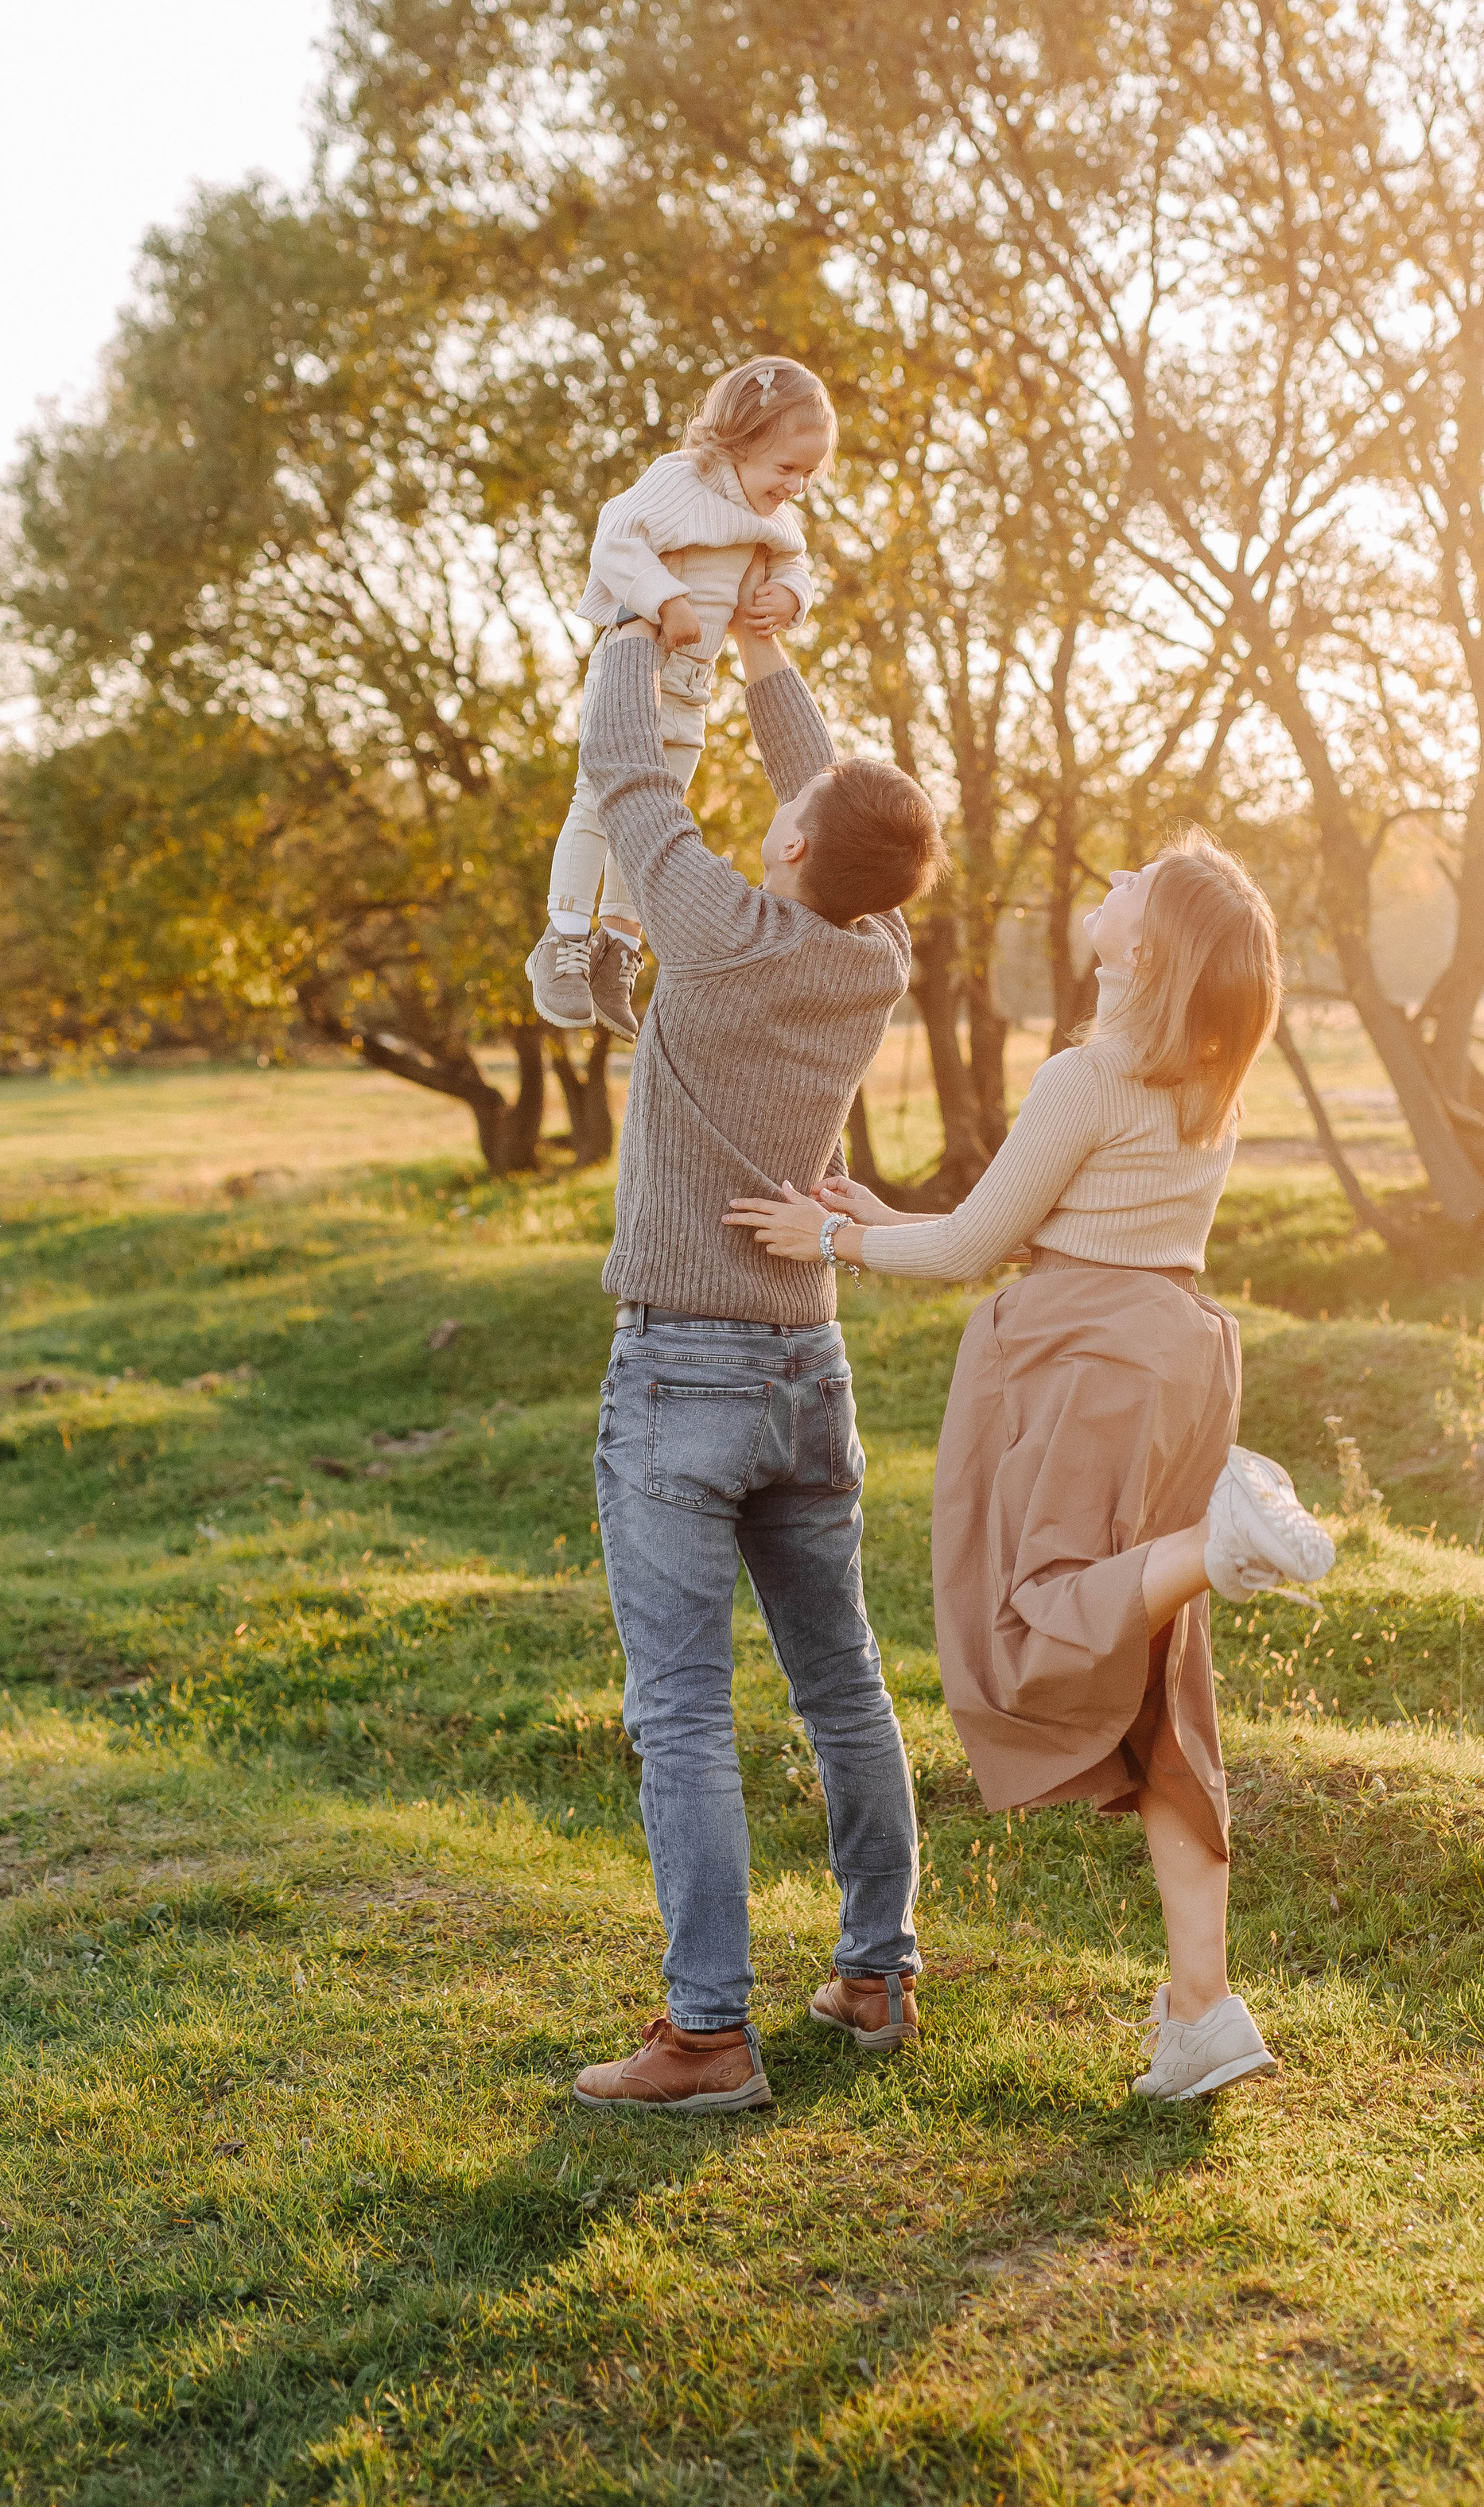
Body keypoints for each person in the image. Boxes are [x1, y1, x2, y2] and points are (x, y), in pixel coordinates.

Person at [726, 838, 1334, 2104]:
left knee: (1024, 1624)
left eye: (1129, 882)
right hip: (1176, 1351)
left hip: (1087, 1363)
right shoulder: (1203, 1076)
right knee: (1167, 1700)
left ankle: (1217, 1546)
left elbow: (974, 1257)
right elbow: (1038, 1232)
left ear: (1147, 948)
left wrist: (832, 1236)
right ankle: (1204, 2013)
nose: (1104, 885)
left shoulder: (1089, 1075)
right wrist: (887, 1219)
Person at [569, 570, 946, 2117]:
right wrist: (762, 653)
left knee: (680, 1713)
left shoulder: (716, 931)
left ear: (791, 850)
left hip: (681, 1374)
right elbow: (837, 811)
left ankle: (707, 2037)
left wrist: (630, 635)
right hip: (806, 1367)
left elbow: (624, 774)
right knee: (839, 1684)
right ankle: (872, 1972)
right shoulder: (874, 960)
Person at [528, 357, 830, 1042]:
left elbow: (794, 563)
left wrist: (789, 597)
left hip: (693, 687)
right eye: (786, 467)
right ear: (739, 441)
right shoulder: (685, 479)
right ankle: (564, 936)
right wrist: (664, 597)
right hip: (634, 668)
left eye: (808, 474)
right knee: (599, 802)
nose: (796, 487)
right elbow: (616, 535)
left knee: (661, 814)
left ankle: (618, 945)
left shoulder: (772, 516)